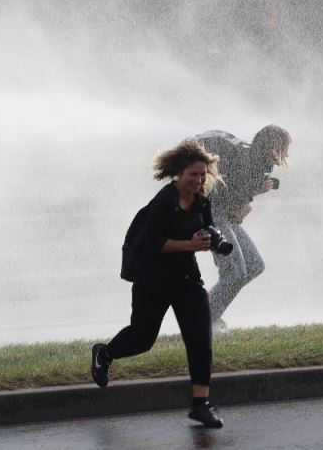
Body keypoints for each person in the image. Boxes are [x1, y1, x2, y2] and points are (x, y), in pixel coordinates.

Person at [90, 140, 224, 428]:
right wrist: (190, 244)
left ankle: (201, 404)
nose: (199, 180)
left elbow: (206, 228)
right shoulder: (164, 201)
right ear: (179, 173)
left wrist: (213, 240)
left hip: (187, 278)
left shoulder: (202, 201)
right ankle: (105, 353)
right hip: (153, 278)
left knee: (201, 337)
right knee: (142, 338)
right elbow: (154, 244)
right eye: (193, 175)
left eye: (202, 175)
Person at [193, 125, 292, 333]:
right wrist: (250, 199)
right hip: (209, 213)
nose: (287, 154)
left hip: (219, 213)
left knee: (255, 264)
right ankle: (203, 323)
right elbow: (230, 204)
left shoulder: (254, 161)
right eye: (284, 148)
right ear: (273, 147)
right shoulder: (245, 160)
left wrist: (251, 196)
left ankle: (210, 314)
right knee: (235, 272)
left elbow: (234, 201)